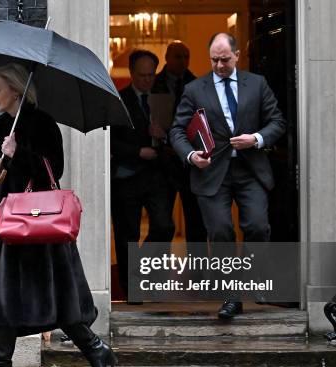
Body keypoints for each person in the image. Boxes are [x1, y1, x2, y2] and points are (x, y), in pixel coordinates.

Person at [0, 63, 116, 367]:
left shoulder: (43, 124)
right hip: (12, 227)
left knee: (57, 299)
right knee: (6, 298)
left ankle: (95, 349)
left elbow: (52, 173)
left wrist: (20, 153)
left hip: (40, 226)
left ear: (15, 90)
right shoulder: (2, 127)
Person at [169, 33, 286, 319]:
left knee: (257, 227)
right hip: (212, 173)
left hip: (250, 170)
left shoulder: (257, 84)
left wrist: (256, 138)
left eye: (224, 59)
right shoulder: (196, 89)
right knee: (221, 232)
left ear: (236, 55)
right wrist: (191, 155)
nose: (219, 65)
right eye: (214, 60)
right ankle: (231, 296)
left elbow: (277, 121)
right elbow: (177, 129)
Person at [110, 50, 175, 303]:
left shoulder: (163, 100)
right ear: (131, 73)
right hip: (127, 176)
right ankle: (132, 291)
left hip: (158, 174)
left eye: (151, 75)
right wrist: (138, 151)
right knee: (127, 235)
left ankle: (152, 279)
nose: (147, 80)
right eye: (142, 75)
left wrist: (164, 135)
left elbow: (179, 135)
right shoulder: (118, 100)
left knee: (164, 226)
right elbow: (109, 141)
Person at [152, 41, 207, 245]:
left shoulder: (197, 84)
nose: (183, 61)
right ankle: (157, 273)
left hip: (189, 162)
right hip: (162, 163)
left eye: (186, 57)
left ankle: (198, 273)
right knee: (162, 224)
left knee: (196, 222)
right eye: (178, 56)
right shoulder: (154, 84)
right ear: (167, 57)